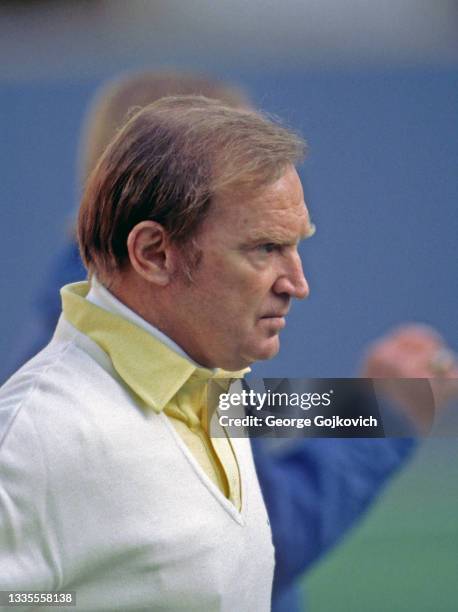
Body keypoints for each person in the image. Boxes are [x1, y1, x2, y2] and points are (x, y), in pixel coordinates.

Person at [1, 73, 456, 612]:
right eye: (261, 244)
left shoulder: (167, 338)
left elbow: (228, 415)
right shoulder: (48, 418)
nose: (296, 283)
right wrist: (385, 418)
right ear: (154, 242)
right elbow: (263, 539)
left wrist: (367, 404)